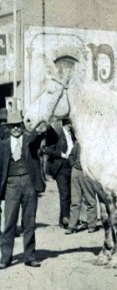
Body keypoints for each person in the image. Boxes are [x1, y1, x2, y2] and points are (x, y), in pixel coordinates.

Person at [0, 110, 47, 268]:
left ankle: (29, 256)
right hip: (11, 185)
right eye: (12, 126)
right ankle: (5, 258)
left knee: (29, 222)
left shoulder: (29, 140)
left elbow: (41, 132)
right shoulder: (3, 145)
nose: (16, 129)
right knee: (9, 223)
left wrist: (39, 124)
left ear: (21, 125)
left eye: (18, 125)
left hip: (29, 184)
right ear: (8, 127)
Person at [65, 122, 100, 234]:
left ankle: (91, 225)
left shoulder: (95, 144)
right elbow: (71, 156)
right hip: (76, 172)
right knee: (75, 201)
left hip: (87, 173)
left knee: (90, 200)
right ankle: (72, 226)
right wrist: (74, 166)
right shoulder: (78, 143)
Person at [42, 121, 73, 229]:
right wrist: (62, 154)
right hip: (60, 167)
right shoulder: (56, 134)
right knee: (64, 194)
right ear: (67, 124)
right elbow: (48, 150)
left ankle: (64, 219)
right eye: (71, 124)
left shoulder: (72, 134)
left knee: (69, 193)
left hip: (70, 165)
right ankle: (65, 221)